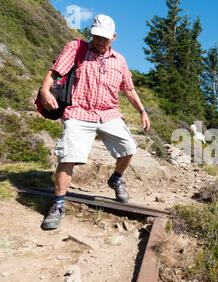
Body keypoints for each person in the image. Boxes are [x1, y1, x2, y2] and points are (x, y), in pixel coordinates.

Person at [39, 14, 151, 230]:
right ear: (92, 33)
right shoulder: (76, 48)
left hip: (109, 114)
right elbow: (54, 72)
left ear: (114, 37)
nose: (100, 41)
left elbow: (129, 89)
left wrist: (143, 112)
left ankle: (116, 179)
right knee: (69, 156)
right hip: (79, 112)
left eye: (105, 38)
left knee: (129, 148)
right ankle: (58, 204)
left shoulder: (120, 60)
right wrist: (45, 90)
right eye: (96, 36)